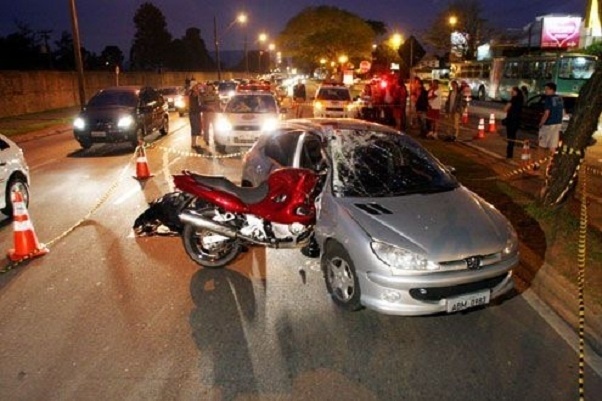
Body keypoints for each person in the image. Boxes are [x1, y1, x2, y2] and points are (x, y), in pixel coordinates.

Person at [538, 82, 564, 158]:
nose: (545, 90)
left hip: (548, 124)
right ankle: (552, 164)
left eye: (547, 89)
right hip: (557, 124)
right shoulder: (559, 98)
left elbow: (546, 113)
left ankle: (537, 164)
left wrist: (541, 123)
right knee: (553, 146)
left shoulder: (548, 99)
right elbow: (563, 112)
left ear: (552, 90)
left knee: (541, 145)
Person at [503, 86, 524, 159]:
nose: (511, 93)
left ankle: (509, 154)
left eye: (512, 91)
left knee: (510, 138)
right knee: (513, 137)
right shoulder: (521, 99)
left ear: (515, 92)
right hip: (517, 120)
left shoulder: (513, 99)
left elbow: (505, 109)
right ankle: (510, 153)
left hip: (511, 120)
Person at [187, 81, 202, 151]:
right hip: (193, 113)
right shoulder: (193, 93)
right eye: (196, 86)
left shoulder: (192, 92)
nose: (197, 87)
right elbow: (197, 96)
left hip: (195, 112)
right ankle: (193, 144)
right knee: (194, 128)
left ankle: (194, 143)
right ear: (193, 86)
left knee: (196, 127)